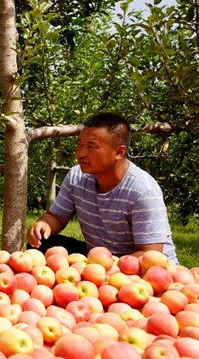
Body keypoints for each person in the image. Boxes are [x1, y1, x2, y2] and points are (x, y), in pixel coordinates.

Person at [27, 112, 178, 263]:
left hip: (144, 268)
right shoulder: (77, 176)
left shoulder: (143, 191)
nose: (80, 154)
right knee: (43, 244)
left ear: (119, 152)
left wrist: (106, 268)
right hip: (100, 258)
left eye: (91, 147)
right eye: (79, 145)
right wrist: (44, 224)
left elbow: (150, 255)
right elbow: (56, 218)